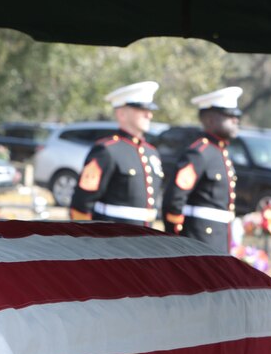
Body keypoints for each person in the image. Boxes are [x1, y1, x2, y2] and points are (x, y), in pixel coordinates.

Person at [70, 81, 163, 227]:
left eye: (150, 110)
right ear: (121, 114)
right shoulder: (107, 150)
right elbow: (82, 202)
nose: (149, 115)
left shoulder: (151, 152)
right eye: (142, 109)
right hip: (113, 239)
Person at [163, 87, 243, 252]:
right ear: (210, 120)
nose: (236, 120)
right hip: (199, 239)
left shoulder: (220, 152)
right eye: (229, 115)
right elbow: (174, 200)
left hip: (218, 239)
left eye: (237, 116)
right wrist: (176, 237)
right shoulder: (199, 153)